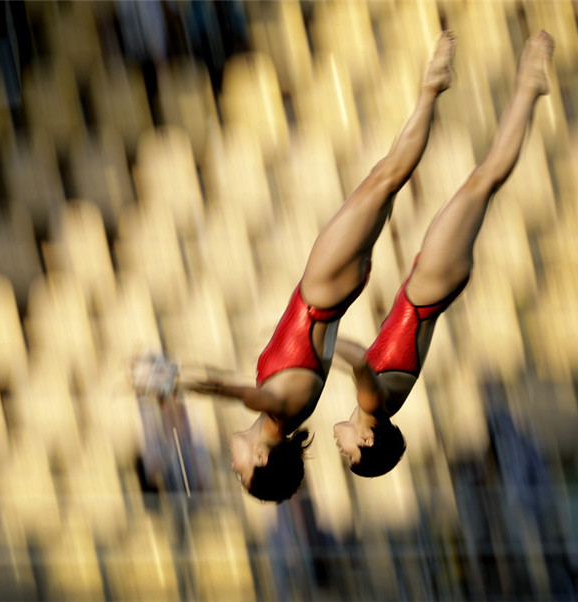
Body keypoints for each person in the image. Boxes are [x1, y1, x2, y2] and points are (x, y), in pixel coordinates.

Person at [175, 31, 457, 502]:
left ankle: (432, 88)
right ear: (263, 459)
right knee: (386, 178)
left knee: (383, 179)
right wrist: (190, 383)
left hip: (325, 289)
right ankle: (433, 87)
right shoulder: (282, 413)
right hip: (323, 291)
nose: (234, 464)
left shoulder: (284, 416)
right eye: (241, 472)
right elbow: (246, 393)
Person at [333, 30, 555, 477]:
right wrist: (315, 344)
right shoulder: (374, 404)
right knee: (484, 178)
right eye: (350, 453)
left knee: (483, 180)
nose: (341, 447)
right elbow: (357, 359)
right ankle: (529, 87)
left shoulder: (380, 401)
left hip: (429, 286)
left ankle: (495, 87)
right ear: (368, 438)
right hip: (429, 286)